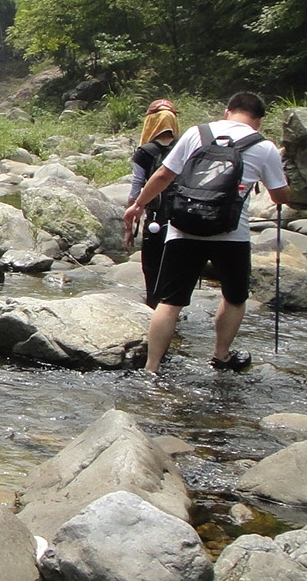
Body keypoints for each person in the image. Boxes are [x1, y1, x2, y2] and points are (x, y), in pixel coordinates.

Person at [123, 92, 290, 375]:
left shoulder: (196, 133)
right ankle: (221, 355)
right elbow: (279, 195)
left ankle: (151, 369)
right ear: (259, 121)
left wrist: (138, 205)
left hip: (183, 228)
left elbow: (164, 175)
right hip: (231, 234)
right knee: (234, 297)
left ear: (227, 111)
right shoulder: (264, 147)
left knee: (169, 301)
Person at [127, 99, 181, 306]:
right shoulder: (186, 148)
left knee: (152, 268)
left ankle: (153, 309)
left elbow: (136, 188)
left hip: (156, 219)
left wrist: (128, 227)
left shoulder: (145, 152)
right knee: (176, 270)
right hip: (183, 218)